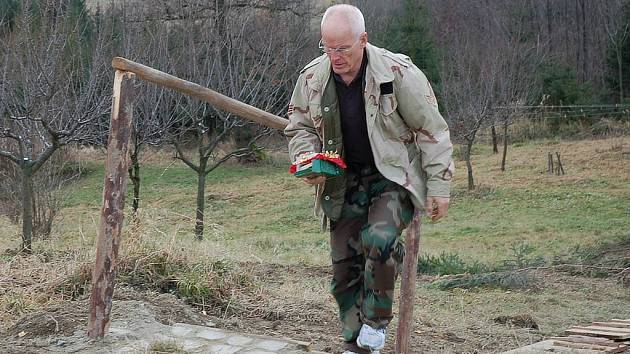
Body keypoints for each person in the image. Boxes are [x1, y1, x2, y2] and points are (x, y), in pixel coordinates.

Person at [284, 4, 454, 354]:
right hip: (342, 180)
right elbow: (298, 126)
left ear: (363, 39)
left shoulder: (396, 73)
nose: (335, 56)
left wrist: (439, 186)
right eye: (327, 48)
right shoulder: (313, 78)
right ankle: (356, 345)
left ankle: (375, 324)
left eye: (343, 48)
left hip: (392, 176)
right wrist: (305, 156)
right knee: (343, 270)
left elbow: (432, 130)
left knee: (378, 238)